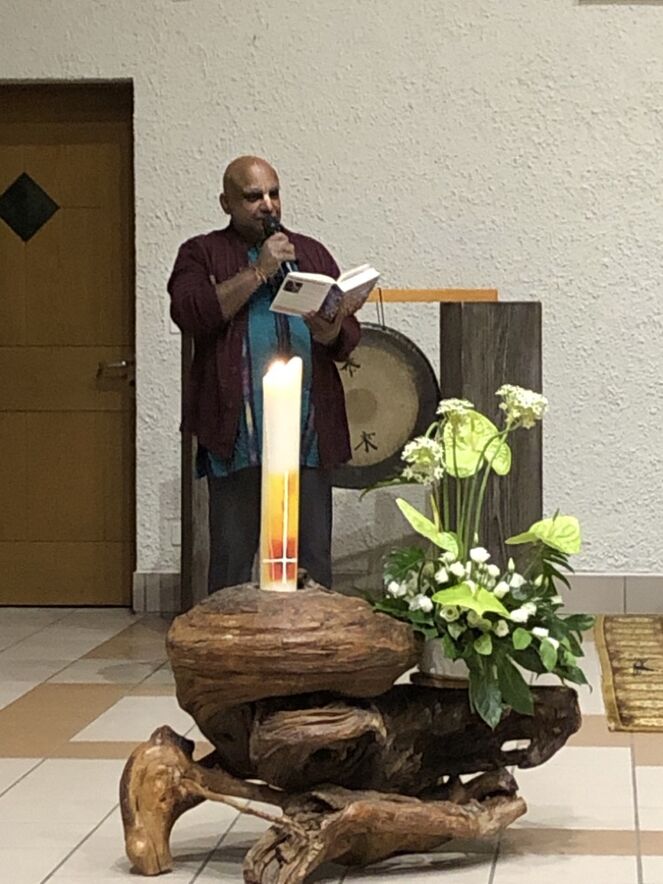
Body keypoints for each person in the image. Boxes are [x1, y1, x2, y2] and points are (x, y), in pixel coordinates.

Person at [168, 156, 361, 592]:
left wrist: (330, 328)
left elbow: (346, 338)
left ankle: (311, 635)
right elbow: (191, 312)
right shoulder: (201, 252)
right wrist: (259, 272)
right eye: (253, 197)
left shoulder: (309, 252)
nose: (268, 205)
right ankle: (229, 634)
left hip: (307, 433)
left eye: (274, 193)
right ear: (226, 203)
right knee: (232, 560)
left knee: (312, 560)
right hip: (237, 432)